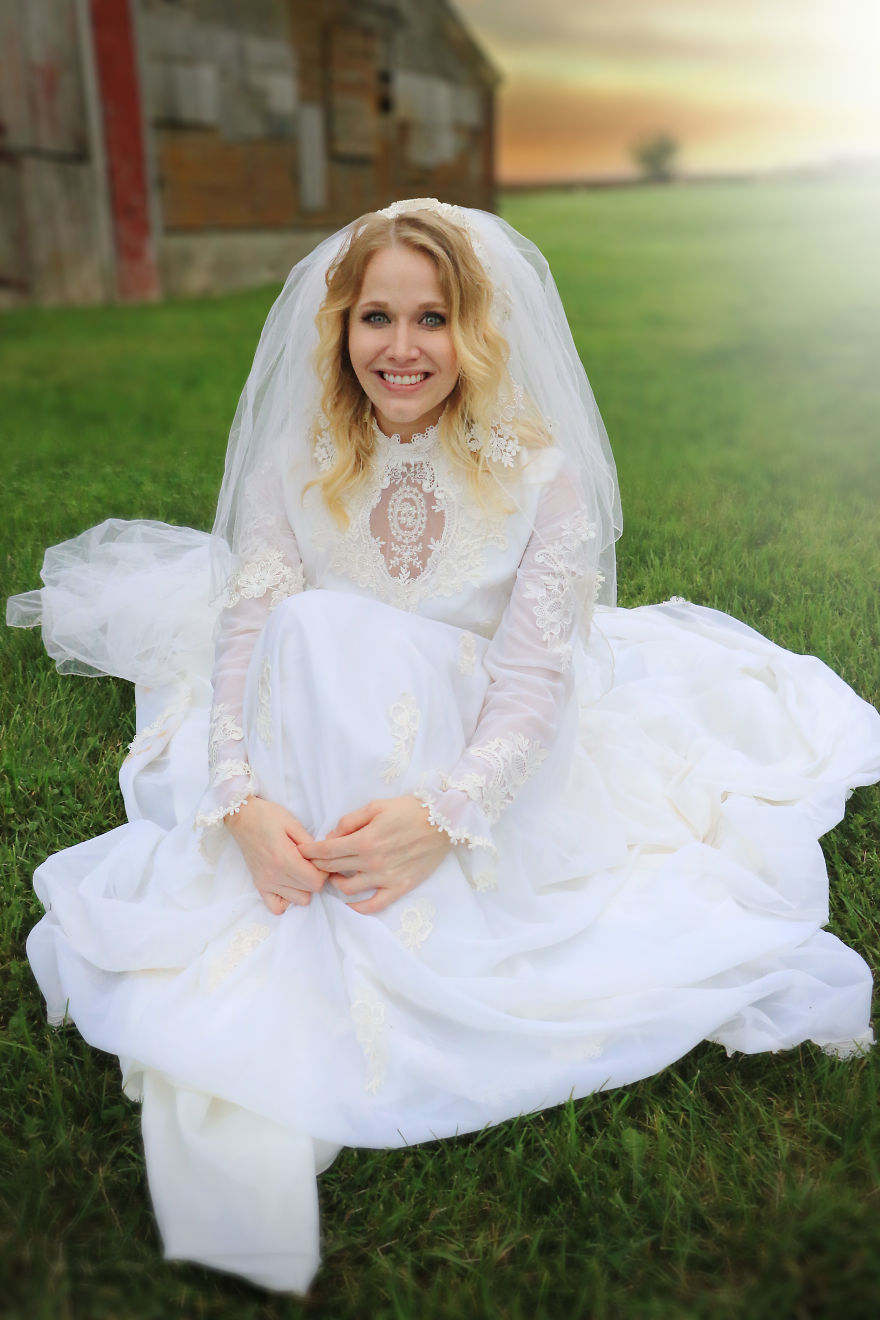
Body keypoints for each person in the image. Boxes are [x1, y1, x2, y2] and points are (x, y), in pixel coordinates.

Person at [7, 199, 880, 1295]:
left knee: (330, 639)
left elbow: (531, 684)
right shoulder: (298, 461)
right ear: (340, 326)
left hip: (470, 747)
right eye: (377, 317)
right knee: (307, 629)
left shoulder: (540, 475)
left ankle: (372, 904)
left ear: (475, 330)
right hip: (314, 726)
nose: (403, 348)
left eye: (433, 318)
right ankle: (311, 867)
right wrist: (238, 801)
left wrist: (444, 816)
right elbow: (246, 632)